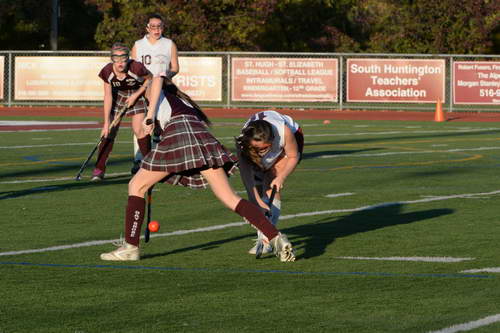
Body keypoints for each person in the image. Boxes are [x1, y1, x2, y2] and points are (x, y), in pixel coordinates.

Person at [100, 76, 296, 262]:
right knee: (229, 197)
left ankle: (130, 248)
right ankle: (275, 236)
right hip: (200, 136)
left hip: (180, 132)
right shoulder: (179, 101)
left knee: (136, 186)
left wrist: (146, 161)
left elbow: (143, 128)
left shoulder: (153, 92)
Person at [235, 110, 304, 255]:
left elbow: (293, 156)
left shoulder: (284, 132)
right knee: (258, 190)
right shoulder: (244, 142)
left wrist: (281, 177)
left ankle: (267, 238)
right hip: (258, 144)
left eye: (265, 148)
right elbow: (248, 179)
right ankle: (267, 235)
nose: (262, 152)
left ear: (272, 140)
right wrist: (255, 202)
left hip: (292, 139)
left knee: (271, 185)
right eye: (257, 148)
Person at [91, 43, 153, 181]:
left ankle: (150, 166)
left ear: (128, 58)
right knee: (109, 131)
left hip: (136, 94)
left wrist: (136, 95)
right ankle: (99, 169)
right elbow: (107, 96)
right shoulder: (107, 71)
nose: (120, 62)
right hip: (117, 96)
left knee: (139, 129)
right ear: (112, 59)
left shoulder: (136, 67)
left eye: (123, 58)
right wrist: (106, 123)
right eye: (116, 58)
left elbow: (149, 79)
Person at [129, 13, 179, 174]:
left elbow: (175, 67)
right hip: (142, 88)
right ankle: (139, 159)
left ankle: (158, 155)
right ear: (147, 28)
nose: (157, 30)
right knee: (139, 125)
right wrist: (141, 82)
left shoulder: (169, 44)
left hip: (162, 88)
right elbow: (133, 68)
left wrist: (166, 76)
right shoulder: (138, 45)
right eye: (153, 26)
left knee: (159, 122)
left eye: (160, 26)